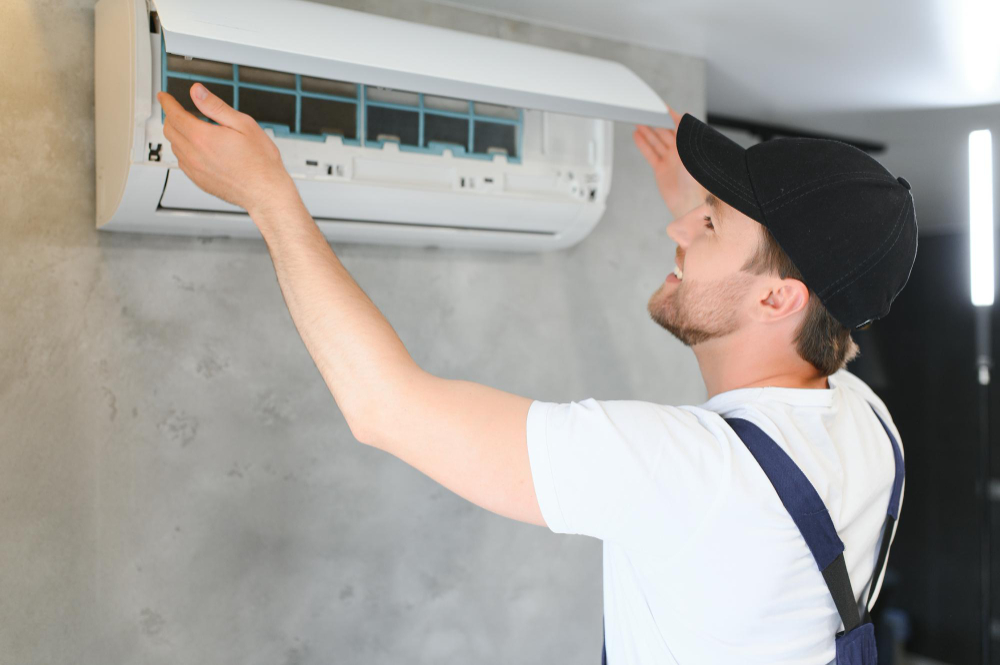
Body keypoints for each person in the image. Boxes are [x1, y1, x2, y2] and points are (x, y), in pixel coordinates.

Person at [157, 82, 917, 664]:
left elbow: (384, 406)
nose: (676, 227)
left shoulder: (687, 470)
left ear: (778, 298)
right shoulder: (868, 425)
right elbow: (766, 313)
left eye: (710, 222)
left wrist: (269, 197)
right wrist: (715, 235)